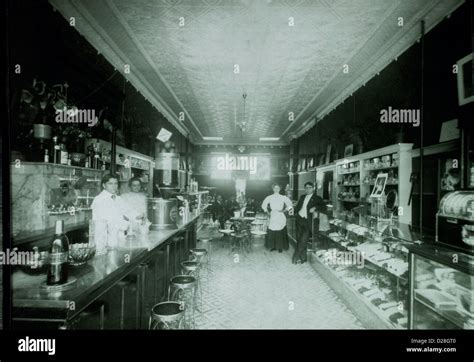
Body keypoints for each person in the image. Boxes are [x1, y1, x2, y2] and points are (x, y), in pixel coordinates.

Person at [90, 173, 129, 248]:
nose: (114, 186)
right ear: (104, 185)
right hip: (104, 239)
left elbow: (128, 211)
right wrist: (126, 225)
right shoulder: (99, 200)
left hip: (117, 237)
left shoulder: (117, 198)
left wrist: (138, 217)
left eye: (116, 183)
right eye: (110, 184)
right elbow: (109, 221)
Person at [293, 182, 326, 264]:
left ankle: (296, 257)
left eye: (309, 187)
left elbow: (324, 207)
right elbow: (297, 207)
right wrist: (294, 213)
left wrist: (315, 207)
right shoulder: (302, 197)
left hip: (308, 222)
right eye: (306, 188)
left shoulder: (317, 198)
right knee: (299, 239)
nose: (307, 189)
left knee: (303, 240)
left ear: (313, 188)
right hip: (299, 219)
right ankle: (303, 258)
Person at [261, 184, 293, 252]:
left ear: (280, 189)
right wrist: (267, 212)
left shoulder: (283, 197)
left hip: (280, 215)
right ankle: (273, 246)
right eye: (275, 188)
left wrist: (284, 210)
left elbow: (290, 205)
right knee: (272, 231)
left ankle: (280, 247)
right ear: (273, 189)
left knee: (280, 231)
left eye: (277, 188)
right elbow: (264, 205)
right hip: (273, 215)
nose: (276, 189)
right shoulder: (269, 197)